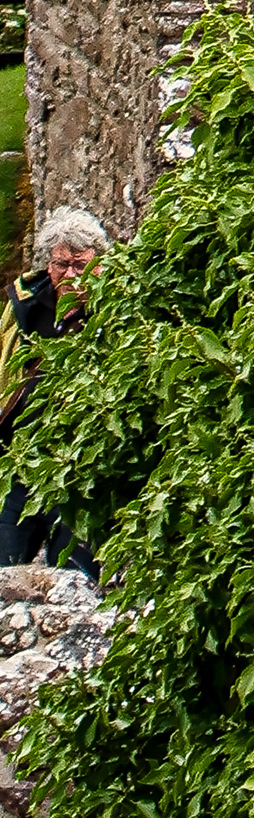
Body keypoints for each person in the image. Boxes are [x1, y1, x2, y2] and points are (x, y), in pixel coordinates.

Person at [0, 211, 108, 575]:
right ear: (49, 266)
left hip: (83, 469)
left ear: (99, 265)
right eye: (61, 264)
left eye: (81, 264)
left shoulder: (115, 311)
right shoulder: (24, 306)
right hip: (20, 460)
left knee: (75, 572)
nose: (71, 274)